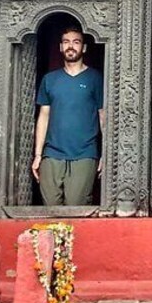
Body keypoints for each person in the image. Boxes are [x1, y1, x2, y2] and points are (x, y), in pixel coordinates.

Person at [31, 25, 104, 205]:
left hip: (85, 153)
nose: (71, 46)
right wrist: (38, 155)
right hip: (52, 154)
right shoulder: (50, 79)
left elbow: (104, 117)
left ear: (84, 48)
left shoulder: (95, 79)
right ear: (61, 47)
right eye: (66, 42)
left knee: (76, 206)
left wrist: (106, 154)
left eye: (76, 42)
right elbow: (43, 117)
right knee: (50, 208)